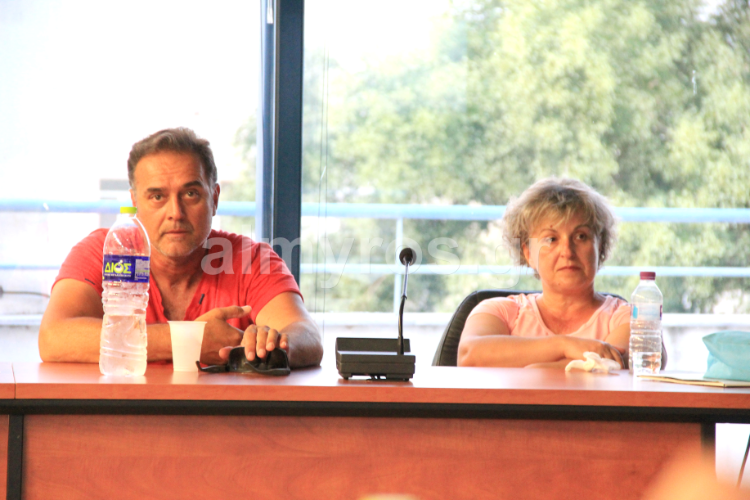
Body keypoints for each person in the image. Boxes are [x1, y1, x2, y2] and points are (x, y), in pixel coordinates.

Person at [39, 128, 323, 368]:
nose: (175, 212)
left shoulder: (251, 258)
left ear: (214, 199)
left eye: (190, 194)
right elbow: (53, 337)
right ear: (135, 202)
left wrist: (271, 345)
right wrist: (189, 340)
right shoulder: (106, 250)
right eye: (157, 197)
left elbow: (307, 336)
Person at [458, 177, 630, 368]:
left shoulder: (627, 317)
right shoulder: (499, 311)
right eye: (551, 239)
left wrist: (536, 368)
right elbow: (469, 356)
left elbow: (612, 365)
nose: (567, 251)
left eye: (581, 236)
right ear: (528, 253)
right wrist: (563, 345)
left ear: (601, 247)